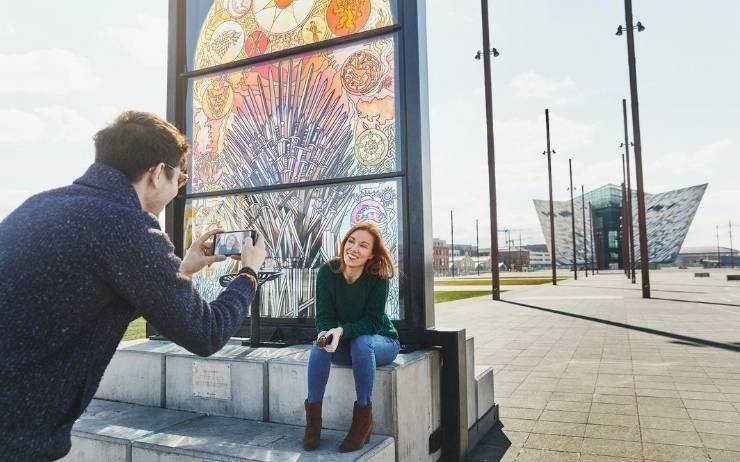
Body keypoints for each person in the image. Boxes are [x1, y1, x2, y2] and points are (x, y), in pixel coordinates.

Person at [0, 111, 267, 461]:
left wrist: (182, 269)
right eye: (179, 177)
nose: (178, 187)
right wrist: (249, 273)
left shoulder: (40, 204)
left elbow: (91, 294)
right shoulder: (127, 226)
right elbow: (208, 333)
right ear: (156, 174)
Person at [303, 221, 400, 452]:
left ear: (371, 254)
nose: (354, 249)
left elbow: (373, 322)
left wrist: (342, 330)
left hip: (381, 342)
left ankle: (363, 420)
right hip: (345, 343)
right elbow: (324, 317)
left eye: (363, 246)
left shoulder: (378, 278)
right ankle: (313, 423)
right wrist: (329, 333)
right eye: (351, 241)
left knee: (362, 341)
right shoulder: (327, 272)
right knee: (319, 345)